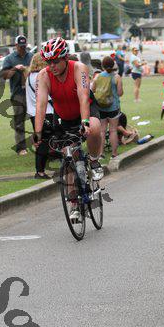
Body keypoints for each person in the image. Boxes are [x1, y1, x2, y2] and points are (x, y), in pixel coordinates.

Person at [35, 38, 104, 221]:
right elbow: (41, 105)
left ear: (65, 58)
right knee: (68, 157)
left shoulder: (79, 68)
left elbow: (83, 96)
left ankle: (94, 160)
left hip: (85, 110)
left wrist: (85, 122)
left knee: (94, 127)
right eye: (48, 62)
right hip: (63, 117)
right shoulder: (43, 75)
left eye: (56, 61)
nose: (52, 66)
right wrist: (38, 132)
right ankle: (74, 203)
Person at [0, 35, 33, 156]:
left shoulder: (31, 56)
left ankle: (40, 143)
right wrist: (15, 68)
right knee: (19, 122)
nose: (22, 48)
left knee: (37, 119)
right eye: (20, 46)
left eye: (24, 46)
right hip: (18, 93)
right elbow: (4, 76)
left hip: (32, 93)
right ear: (16, 45)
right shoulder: (10, 59)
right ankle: (21, 148)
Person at [26, 53, 54, 179]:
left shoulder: (29, 77)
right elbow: (48, 97)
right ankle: (40, 171)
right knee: (45, 141)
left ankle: (40, 169)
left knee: (41, 140)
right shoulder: (41, 76)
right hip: (46, 112)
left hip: (33, 113)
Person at [92, 56, 123, 159]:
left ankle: (101, 153)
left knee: (102, 131)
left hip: (101, 107)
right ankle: (114, 153)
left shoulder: (98, 76)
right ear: (113, 65)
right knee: (113, 130)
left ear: (102, 66)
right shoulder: (116, 77)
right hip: (114, 107)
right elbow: (120, 93)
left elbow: (93, 90)